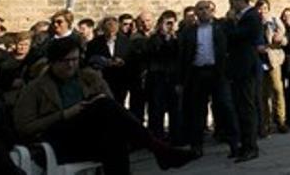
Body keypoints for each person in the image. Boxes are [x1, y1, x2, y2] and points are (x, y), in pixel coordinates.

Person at [13, 35, 196, 174]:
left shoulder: (89, 77)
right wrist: (65, 114)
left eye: (74, 60)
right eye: (65, 61)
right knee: (103, 107)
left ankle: (160, 151)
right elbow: (25, 127)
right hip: (59, 140)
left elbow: (113, 111)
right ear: (52, 62)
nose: (70, 65)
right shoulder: (36, 88)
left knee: (113, 132)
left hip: (92, 136)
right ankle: (160, 150)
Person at [178, 0, 239, 159]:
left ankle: (234, 143)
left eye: (207, 9)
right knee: (197, 111)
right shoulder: (189, 31)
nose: (204, 11)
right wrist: (182, 79)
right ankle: (196, 146)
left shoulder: (221, 27)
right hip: (198, 73)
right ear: (196, 13)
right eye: (201, 9)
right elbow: (183, 55)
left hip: (218, 73)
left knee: (225, 107)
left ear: (213, 11)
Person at [225, 0, 262, 162]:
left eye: (233, 2)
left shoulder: (252, 17)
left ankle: (251, 146)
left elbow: (237, 36)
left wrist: (231, 23)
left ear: (240, 1)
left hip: (246, 68)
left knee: (247, 108)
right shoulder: (246, 17)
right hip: (239, 68)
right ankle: (244, 144)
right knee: (240, 107)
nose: (231, 6)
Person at [146, 11, 182, 143]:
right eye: (167, 23)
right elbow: (153, 52)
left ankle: (176, 136)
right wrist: (164, 36)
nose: (170, 26)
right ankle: (158, 137)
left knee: (175, 109)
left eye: (172, 23)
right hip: (158, 77)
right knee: (157, 109)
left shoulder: (178, 38)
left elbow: (180, 55)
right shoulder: (154, 39)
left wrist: (172, 37)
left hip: (173, 77)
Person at [255, 0, 288, 135]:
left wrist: (280, 39)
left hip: (273, 60)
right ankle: (265, 123)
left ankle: (281, 120)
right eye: (260, 8)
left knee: (277, 89)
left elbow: (284, 39)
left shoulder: (274, 22)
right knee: (262, 94)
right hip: (258, 60)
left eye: (265, 8)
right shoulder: (254, 23)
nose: (262, 11)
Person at [86, 15, 130, 103]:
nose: (111, 34)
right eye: (108, 31)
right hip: (102, 79)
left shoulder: (126, 42)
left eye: (113, 31)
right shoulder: (94, 43)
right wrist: (104, 62)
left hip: (120, 80)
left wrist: (122, 62)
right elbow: (89, 60)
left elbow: (130, 59)